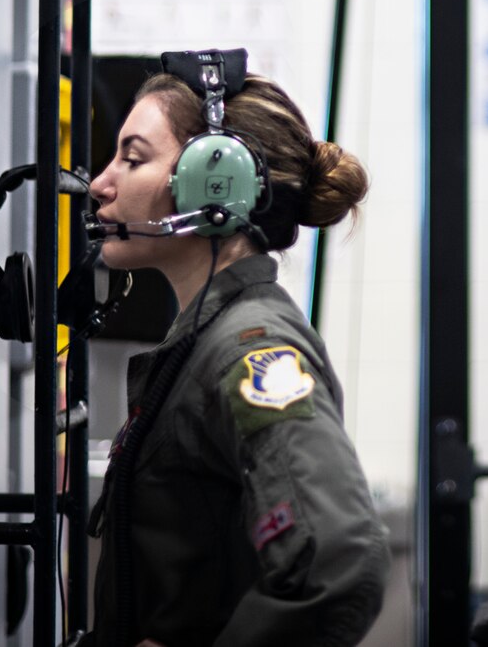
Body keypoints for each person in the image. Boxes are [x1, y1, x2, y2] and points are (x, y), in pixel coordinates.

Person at [86, 58, 388, 647]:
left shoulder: (251, 350)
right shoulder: (204, 341)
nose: (101, 183)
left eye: (133, 157)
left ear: (212, 182)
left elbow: (340, 559)